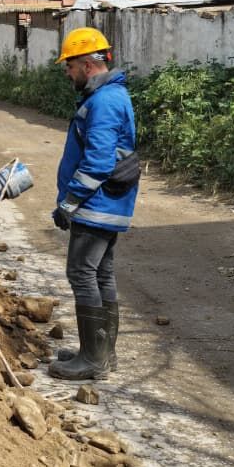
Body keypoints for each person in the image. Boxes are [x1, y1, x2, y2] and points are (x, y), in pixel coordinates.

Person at [49, 27, 140, 382]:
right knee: (101, 274)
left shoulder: (103, 101)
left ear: (87, 64)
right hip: (108, 204)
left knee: (81, 273)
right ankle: (103, 352)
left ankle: (92, 359)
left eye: (69, 67)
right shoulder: (111, 96)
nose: (66, 74)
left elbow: (99, 162)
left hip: (97, 204)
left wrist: (69, 203)